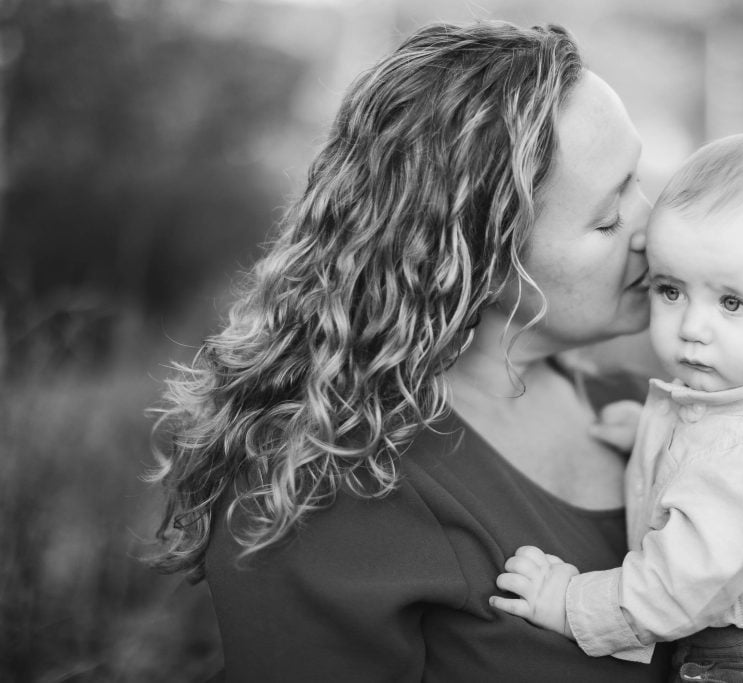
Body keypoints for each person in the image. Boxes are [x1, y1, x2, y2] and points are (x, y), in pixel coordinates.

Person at [146, 19, 674, 682]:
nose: (652, 224)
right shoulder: (334, 491)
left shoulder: (642, 410)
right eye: (608, 215)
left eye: (637, 178)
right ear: (477, 259)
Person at [491, 132, 743, 682]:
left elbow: (678, 589)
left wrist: (567, 601)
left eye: (732, 302)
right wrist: (656, 436)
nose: (692, 328)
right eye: (671, 290)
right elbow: (716, 461)